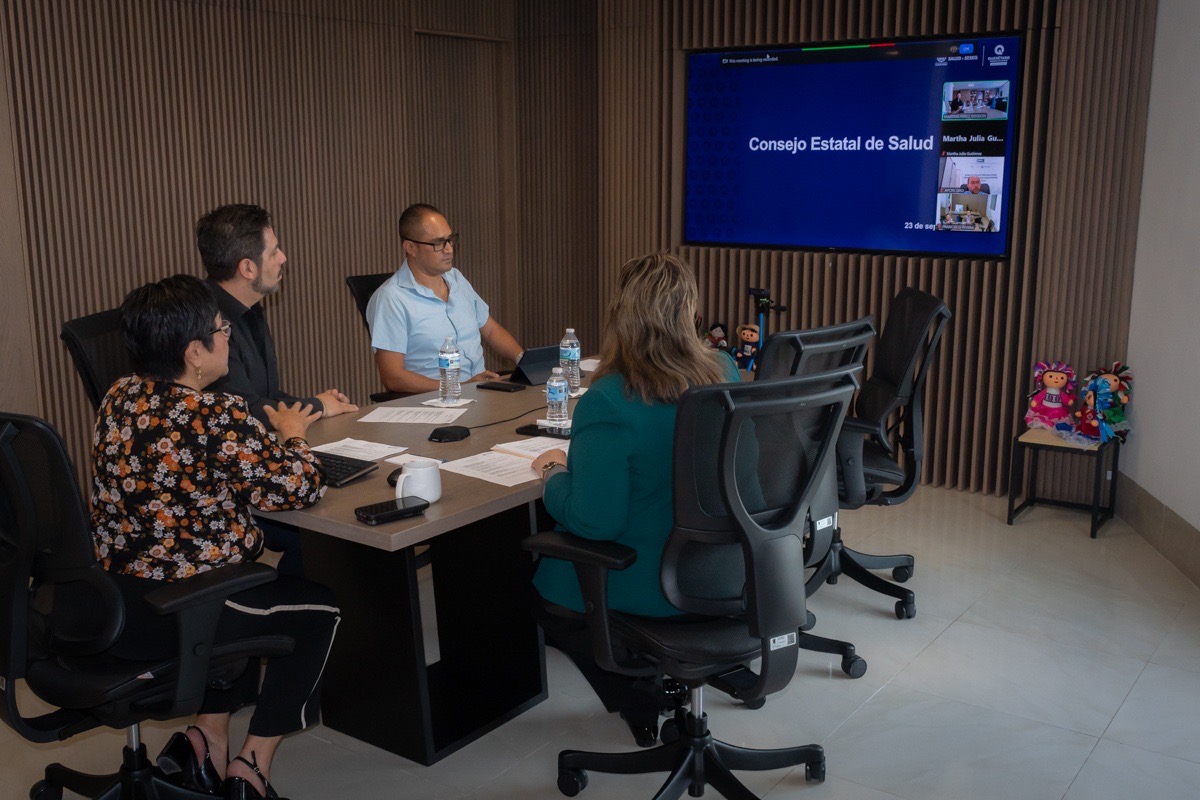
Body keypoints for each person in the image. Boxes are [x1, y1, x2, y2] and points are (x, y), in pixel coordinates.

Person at [91, 274, 340, 800]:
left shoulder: (119, 395)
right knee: (319, 609)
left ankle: (205, 741)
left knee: (247, 580)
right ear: (194, 352)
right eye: (222, 330)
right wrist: (294, 435)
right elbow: (299, 486)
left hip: (116, 601)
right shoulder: (215, 415)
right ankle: (252, 767)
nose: (229, 338)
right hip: (185, 608)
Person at [528, 253, 740, 748]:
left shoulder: (608, 399)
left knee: (539, 585)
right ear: (690, 312)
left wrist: (553, 472)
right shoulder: (724, 370)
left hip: (648, 582)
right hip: (727, 572)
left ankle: (637, 692)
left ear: (620, 316)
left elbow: (594, 523)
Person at [196, 203, 358, 426]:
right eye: (273, 252)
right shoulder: (207, 322)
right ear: (248, 268)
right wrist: (318, 406)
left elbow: (267, 396)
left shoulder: (251, 307)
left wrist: (317, 404)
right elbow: (243, 411)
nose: (283, 257)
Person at [365, 203, 523, 394]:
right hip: (434, 401)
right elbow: (393, 377)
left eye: (450, 240)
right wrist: (460, 387)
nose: (449, 249)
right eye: (438, 243)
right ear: (411, 247)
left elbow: (490, 330)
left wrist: (523, 360)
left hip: (482, 393)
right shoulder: (391, 298)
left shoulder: (456, 278)